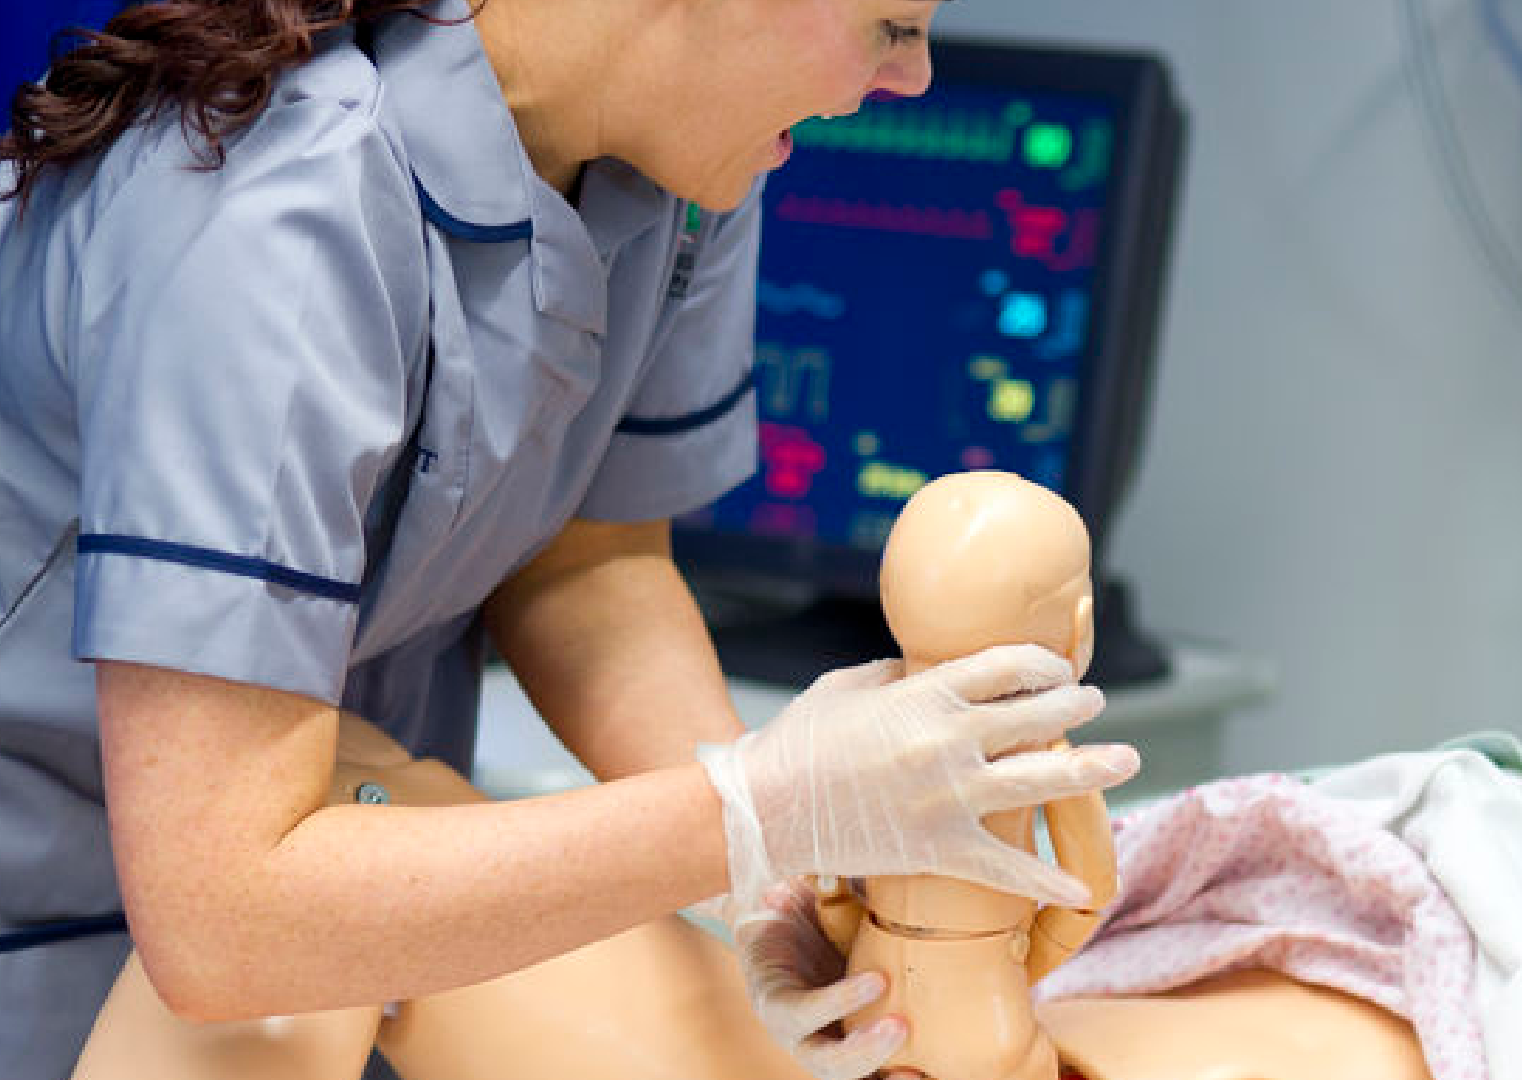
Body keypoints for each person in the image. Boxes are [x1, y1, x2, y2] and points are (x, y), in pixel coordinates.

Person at [0, 2, 1142, 1077]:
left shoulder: (680, 159)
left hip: (348, 911)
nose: (913, 76)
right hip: (86, 928)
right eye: (890, 24)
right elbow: (227, 919)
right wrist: (753, 807)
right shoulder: (273, 218)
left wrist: (770, 872)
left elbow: (588, 563)